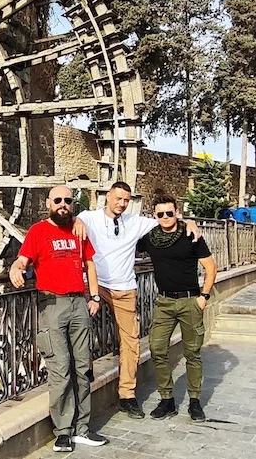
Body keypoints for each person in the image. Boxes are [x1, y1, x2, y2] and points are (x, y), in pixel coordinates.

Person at [71, 181, 200, 419]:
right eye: (118, 198)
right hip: (94, 286)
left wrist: (188, 221)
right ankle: (85, 369)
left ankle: (127, 395)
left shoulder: (135, 222)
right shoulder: (88, 217)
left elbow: (167, 219)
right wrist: (77, 221)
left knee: (130, 342)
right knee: (81, 330)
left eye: (126, 200)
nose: (121, 204)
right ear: (107, 197)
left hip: (124, 288)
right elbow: (71, 219)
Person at [10, 186, 108, 452]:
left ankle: (83, 428)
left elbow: (90, 264)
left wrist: (95, 297)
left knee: (83, 367)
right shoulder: (38, 231)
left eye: (67, 200)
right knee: (60, 369)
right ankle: (63, 431)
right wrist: (15, 269)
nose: (63, 204)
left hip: (79, 303)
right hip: (52, 303)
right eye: (58, 200)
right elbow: (22, 260)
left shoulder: (78, 229)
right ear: (48, 203)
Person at [137, 194, 217, 422]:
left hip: (190, 301)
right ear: (155, 216)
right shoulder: (151, 239)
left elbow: (211, 268)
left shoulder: (191, 235)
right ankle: (167, 400)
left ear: (177, 213)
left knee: (192, 352)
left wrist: (204, 296)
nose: (165, 217)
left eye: (169, 213)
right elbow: (125, 242)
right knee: (157, 348)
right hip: (164, 302)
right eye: (160, 214)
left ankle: (194, 401)